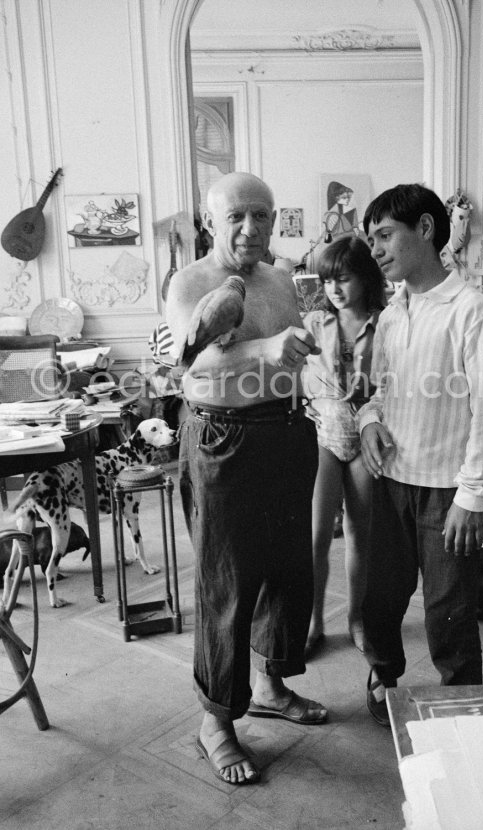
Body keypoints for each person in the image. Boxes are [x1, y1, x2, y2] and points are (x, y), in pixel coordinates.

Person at [166, 171, 327, 786]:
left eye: (261, 214)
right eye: (237, 216)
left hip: (287, 431)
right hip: (223, 439)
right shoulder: (189, 282)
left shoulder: (283, 280)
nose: (251, 227)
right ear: (212, 221)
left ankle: (270, 684)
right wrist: (265, 350)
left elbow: (290, 344)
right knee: (227, 581)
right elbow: (194, 360)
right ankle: (216, 722)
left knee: (287, 570)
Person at [358, 183, 483, 726]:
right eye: (370, 238)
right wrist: (371, 421)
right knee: (379, 598)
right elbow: (379, 391)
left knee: (449, 610)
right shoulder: (393, 313)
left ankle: (460, 700)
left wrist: (471, 497)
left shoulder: (472, 312)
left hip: (446, 490)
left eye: (384, 235)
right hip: (391, 483)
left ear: (425, 228)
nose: (375, 249)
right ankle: (383, 673)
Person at [301, 236, 385, 659]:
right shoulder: (315, 322)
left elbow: (395, 378)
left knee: (359, 534)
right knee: (316, 534)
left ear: (365, 278)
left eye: (344, 279)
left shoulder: (385, 323)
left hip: (365, 433)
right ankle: (314, 619)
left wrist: (373, 387)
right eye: (328, 280)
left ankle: (357, 619)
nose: (334, 288)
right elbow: (288, 366)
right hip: (323, 433)